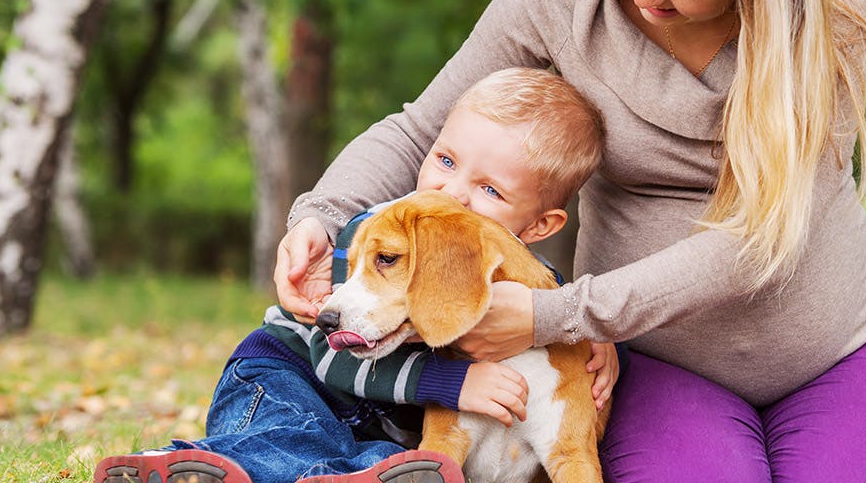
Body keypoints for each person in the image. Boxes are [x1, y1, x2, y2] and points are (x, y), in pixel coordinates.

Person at [275, 0, 866, 481]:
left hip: (838, 354)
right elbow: (426, 127)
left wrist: (555, 314)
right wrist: (321, 212)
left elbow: (754, 240)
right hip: (654, 362)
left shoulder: (828, 21)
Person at [94, 67, 613, 483]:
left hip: (369, 427)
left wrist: (600, 339)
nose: (451, 193)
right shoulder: (374, 231)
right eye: (446, 160)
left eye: (491, 191)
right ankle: (184, 464)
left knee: (385, 459)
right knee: (292, 432)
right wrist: (452, 382)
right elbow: (332, 357)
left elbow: (559, 317)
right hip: (289, 374)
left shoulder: (528, 289)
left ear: (541, 225)